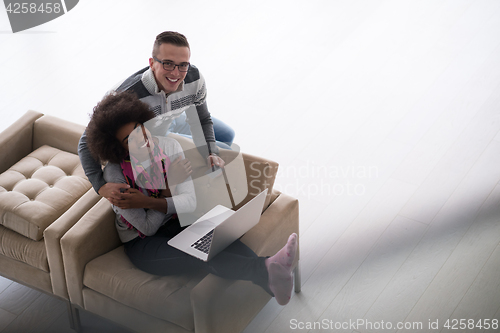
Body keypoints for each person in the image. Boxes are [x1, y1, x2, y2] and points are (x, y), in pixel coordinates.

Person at [85, 92, 298, 305]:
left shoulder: (169, 148)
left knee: (223, 234)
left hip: (176, 223)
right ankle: (270, 269)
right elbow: (148, 227)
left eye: (138, 128)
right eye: (129, 139)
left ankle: (270, 271)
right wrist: (169, 190)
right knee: (201, 251)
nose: (142, 139)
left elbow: (189, 202)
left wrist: (148, 201)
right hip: (143, 245)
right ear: (118, 148)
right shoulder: (115, 176)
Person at [79, 31, 234, 206]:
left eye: (183, 65)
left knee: (228, 135)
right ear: (152, 63)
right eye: (168, 64)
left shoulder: (194, 78)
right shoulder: (125, 97)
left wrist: (211, 152)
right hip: (152, 136)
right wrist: (100, 185)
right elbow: (85, 142)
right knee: (225, 148)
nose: (176, 73)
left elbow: (202, 119)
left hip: (173, 116)